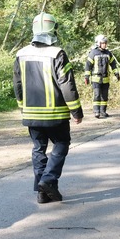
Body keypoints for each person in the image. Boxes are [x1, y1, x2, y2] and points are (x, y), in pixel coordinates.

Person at [13, 12, 84, 204]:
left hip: (31, 114)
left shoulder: (21, 54)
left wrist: (22, 107)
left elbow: (17, 85)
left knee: (38, 149)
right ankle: (48, 180)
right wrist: (76, 111)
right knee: (61, 144)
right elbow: (67, 84)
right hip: (56, 114)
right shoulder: (57, 53)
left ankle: (42, 193)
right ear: (53, 29)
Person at [84, 35, 120, 119]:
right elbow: (88, 66)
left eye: (105, 43)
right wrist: (86, 77)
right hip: (96, 79)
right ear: (98, 43)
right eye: (103, 43)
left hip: (106, 79)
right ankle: (96, 111)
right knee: (97, 95)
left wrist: (116, 73)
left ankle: (103, 111)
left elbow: (113, 64)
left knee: (105, 96)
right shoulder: (93, 53)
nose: (105, 45)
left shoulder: (108, 53)